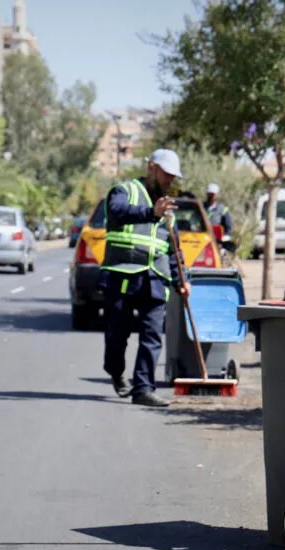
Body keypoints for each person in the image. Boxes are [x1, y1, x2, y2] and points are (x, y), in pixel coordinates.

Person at [100, 149, 190, 408]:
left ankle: (143, 388)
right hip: (123, 275)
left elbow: (173, 249)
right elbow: (117, 212)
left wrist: (182, 280)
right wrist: (151, 212)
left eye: (173, 177)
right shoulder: (125, 191)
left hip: (154, 279)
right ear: (151, 168)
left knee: (151, 335)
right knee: (117, 336)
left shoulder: (168, 209)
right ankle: (116, 371)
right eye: (166, 174)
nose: (169, 181)